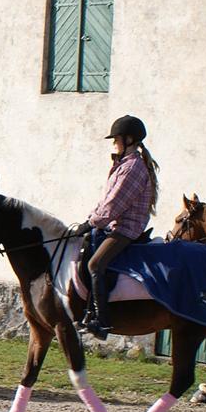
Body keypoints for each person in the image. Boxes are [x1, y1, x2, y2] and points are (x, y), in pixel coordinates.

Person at [73, 115, 159, 340]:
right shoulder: (123, 165)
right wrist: (89, 220)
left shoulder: (133, 168)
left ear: (129, 140)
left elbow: (113, 205)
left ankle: (102, 322)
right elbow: (104, 202)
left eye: (116, 139)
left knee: (95, 264)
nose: (114, 144)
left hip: (125, 230)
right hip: (111, 225)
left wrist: (91, 223)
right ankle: (87, 312)